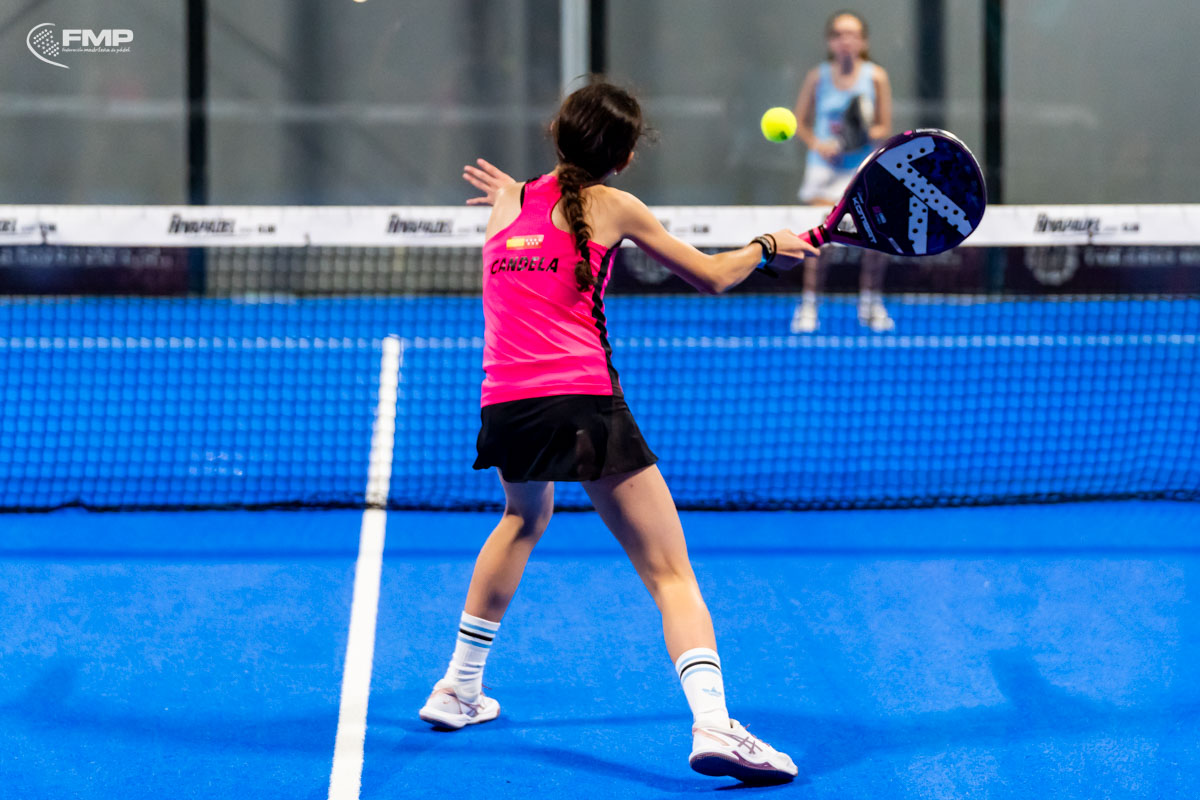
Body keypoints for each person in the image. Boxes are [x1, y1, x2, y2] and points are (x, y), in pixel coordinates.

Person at [420, 81, 819, 784]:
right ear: (625, 157)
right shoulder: (615, 206)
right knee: (670, 573)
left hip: (505, 404)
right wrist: (768, 245)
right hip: (582, 404)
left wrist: (518, 193)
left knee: (521, 518)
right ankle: (714, 724)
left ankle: (458, 687)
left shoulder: (507, 203)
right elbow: (713, 277)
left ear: (556, 131)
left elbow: (535, 215)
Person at [792, 9, 894, 333]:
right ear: (830, 42)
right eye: (838, 34)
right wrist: (819, 145)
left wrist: (859, 137)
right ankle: (809, 305)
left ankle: (870, 303)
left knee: (875, 240)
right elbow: (800, 123)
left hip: (861, 171)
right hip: (824, 171)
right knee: (818, 242)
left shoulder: (876, 77)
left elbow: (884, 127)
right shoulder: (818, 76)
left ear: (863, 42)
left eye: (851, 34)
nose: (845, 40)